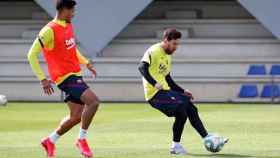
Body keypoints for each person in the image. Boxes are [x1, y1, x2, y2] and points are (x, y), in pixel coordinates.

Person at [138, 28, 228, 155]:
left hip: (165, 92)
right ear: (166, 40)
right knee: (180, 108)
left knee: (190, 107)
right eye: (174, 44)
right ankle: (176, 146)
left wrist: (183, 91)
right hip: (154, 95)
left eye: (177, 44)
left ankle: (206, 138)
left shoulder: (168, 57)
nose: (176, 47)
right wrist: (154, 83)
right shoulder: (154, 50)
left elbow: (168, 79)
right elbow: (141, 67)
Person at [27, 0, 99, 157]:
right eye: (72, 10)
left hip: (74, 74)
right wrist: (42, 79)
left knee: (76, 117)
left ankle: (50, 140)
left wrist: (86, 63)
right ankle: (81, 140)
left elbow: (72, 49)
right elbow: (31, 54)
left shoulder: (68, 25)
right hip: (65, 77)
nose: (74, 13)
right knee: (93, 102)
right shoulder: (48, 30)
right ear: (64, 9)